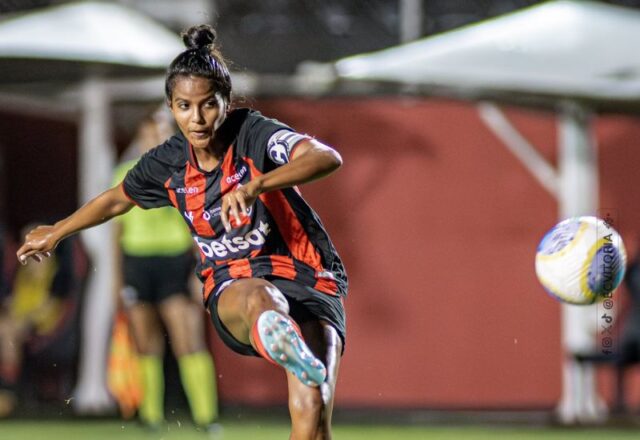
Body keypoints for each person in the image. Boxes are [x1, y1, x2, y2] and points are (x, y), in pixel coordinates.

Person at [17, 23, 347, 439]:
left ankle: (291, 348)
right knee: (261, 297)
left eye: (208, 105)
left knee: (313, 416)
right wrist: (59, 230)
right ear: (171, 107)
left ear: (226, 102)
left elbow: (325, 157)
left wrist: (256, 184)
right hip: (237, 282)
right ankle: (276, 332)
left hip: (308, 276)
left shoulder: (254, 133)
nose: (197, 118)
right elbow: (117, 198)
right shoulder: (167, 162)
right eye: (184, 107)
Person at [111, 111, 218, 429]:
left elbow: (197, 229)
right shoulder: (124, 173)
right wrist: (116, 280)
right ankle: (151, 417)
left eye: (160, 133)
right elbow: (115, 234)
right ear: (140, 139)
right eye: (149, 134)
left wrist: (200, 271)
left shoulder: (186, 173)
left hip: (174, 262)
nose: (154, 139)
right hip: (137, 264)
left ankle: (206, 417)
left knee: (187, 337)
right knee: (146, 341)